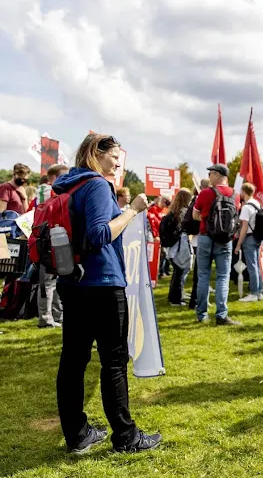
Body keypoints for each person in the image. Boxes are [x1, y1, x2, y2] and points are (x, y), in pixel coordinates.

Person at [54, 133, 161, 454]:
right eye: (114, 157)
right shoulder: (98, 185)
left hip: (73, 282)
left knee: (73, 360)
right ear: (95, 154)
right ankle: (126, 437)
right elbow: (99, 234)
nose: (118, 163)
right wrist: (131, 211)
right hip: (102, 283)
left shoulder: (68, 185)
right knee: (113, 361)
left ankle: (77, 434)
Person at [192, 164, 241, 325]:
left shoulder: (206, 193)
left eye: (211, 173)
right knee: (223, 277)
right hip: (225, 239)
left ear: (218, 175)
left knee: (203, 276)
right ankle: (221, 314)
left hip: (206, 236)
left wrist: (207, 221)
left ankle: (202, 314)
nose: (210, 176)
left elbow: (194, 215)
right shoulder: (235, 194)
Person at [37, 164, 70, 329]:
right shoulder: (46, 192)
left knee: (56, 282)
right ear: (55, 177)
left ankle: (57, 315)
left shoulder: (53, 194)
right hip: (48, 243)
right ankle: (45, 318)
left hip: (54, 242)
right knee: (48, 283)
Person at [235, 182, 263, 303]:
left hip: (249, 237)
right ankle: (259, 291)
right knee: (256, 266)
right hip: (258, 237)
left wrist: (238, 244)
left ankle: (254, 292)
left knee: (252, 266)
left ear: (244, 192)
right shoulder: (257, 204)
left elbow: (244, 227)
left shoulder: (246, 208)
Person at [166, 188, 193, 306]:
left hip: (173, 246)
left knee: (177, 272)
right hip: (180, 245)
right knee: (180, 272)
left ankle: (174, 296)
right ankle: (175, 299)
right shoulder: (184, 212)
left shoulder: (173, 211)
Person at [188, 179, 210, 309]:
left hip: (198, 239)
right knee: (200, 274)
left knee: (200, 273)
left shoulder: (197, 199)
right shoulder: (200, 199)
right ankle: (197, 301)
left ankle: (197, 301)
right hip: (199, 239)